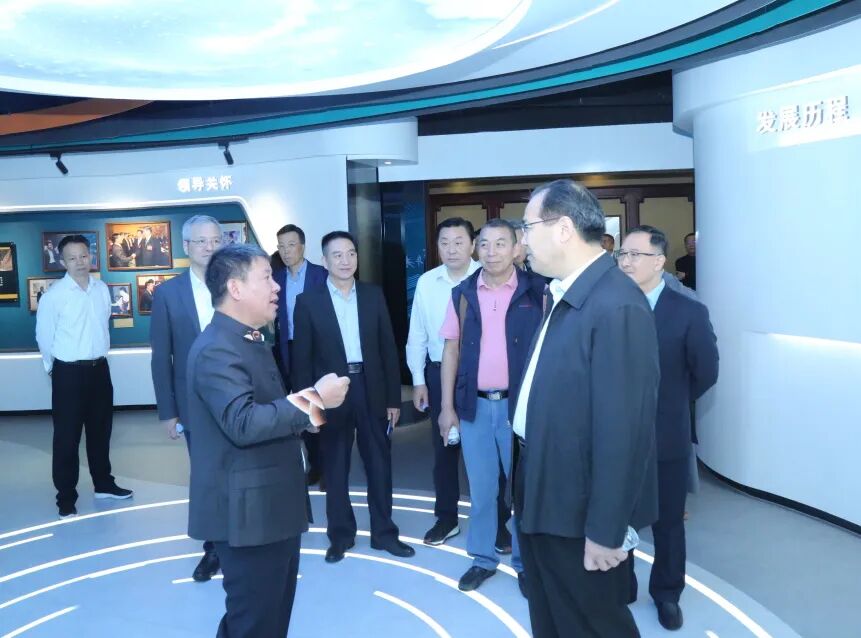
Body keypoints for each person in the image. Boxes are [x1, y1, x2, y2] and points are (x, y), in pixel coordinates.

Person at [513, 179, 660, 637]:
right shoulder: (567, 293)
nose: (522, 241)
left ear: (562, 229)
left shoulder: (616, 306)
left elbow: (624, 434)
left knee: (592, 623)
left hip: (577, 511)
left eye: (527, 228)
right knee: (552, 616)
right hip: (545, 489)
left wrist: (605, 530)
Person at [186, 243, 349, 638]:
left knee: (270, 619)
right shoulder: (217, 348)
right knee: (254, 623)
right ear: (235, 288)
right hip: (248, 516)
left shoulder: (247, 339)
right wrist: (315, 401)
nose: (277, 287)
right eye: (266, 278)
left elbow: (265, 409)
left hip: (268, 508)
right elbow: (243, 422)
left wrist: (307, 419)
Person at [292, 231, 415, 563]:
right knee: (334, 467)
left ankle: (384, 534)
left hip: (371, 387)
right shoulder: (308, 302)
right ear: (324, 261)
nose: (345, 261)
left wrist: (393, 399)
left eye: (351, 253)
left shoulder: (373, 295)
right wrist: (308, 410)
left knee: (379, 464)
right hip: (331, 392)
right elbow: (301, 360)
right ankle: (340, 536)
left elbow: (388, 349)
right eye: (337, 255)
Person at [619, 225, 719, 630]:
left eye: (636, 255)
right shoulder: (609, 306)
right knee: (616, 514)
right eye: (622, 254)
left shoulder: (688, 311)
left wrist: (670, 402)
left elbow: (706, 372)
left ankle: (667, 593)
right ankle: (620, 585)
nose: (626, 262)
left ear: (660, 261)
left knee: (668, 523)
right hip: (615, 437)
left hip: (666, 435)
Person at [438, 218, 545, 596]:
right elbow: (451, 350)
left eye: (501, 244)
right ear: (475, 249)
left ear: (517, 249)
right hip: (475, 408)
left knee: (524, 492)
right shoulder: (464, 293)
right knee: (482, 491)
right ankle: (482, 559)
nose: (491, 251)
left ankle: (526, 563)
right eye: (484, 244)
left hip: (522, 409)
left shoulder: (539, 291)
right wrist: (446, 406)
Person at [35, 235, 133, 519]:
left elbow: (103, 327)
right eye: (72, 258)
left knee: (101, 432)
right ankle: (66, 497)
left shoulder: (101, 289)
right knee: (67, 438)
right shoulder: (54, 296)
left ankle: (104, 484)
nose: (79, 262)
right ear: (62, 262)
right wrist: (53, 369)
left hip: (99, 370)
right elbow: (44, 337)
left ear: (91, 257)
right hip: (68, 373)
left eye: (83, 256)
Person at [150, 215, 223, 583]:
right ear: (186, 246)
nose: (209, 247)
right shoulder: (168, 293)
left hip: (237, 397)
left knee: (239, 470)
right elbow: (161, 356)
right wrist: (168, 411)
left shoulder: (235, 283)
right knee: (206, 475)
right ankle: (213, 547)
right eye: (201, 241)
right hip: (193, 403)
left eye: (215, 240)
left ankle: (241, 537)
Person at [273, 223, 328, 485]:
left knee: (322, 405)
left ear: (302, 247)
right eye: (281, 246)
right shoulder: (276, 278)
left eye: (291, 245)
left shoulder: (320, 275)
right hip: (289, 349)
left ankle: (329, 466)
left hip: (318, 349)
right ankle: (315, 463)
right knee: (301, 407)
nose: (286, 251)